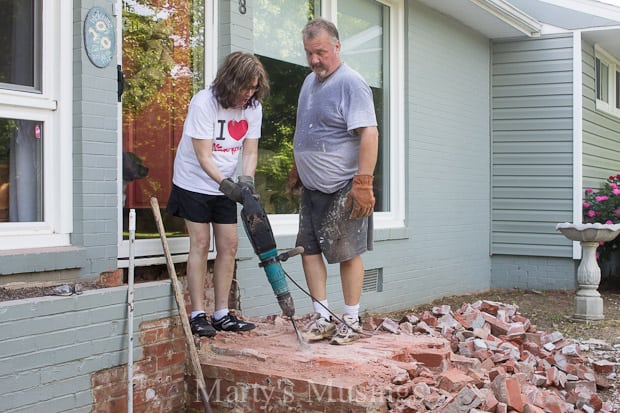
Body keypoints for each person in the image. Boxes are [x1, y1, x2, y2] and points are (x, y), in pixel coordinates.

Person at [289, 18, 379, 345]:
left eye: (321, 53)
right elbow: (309, 129)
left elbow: (369, 132)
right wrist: (298, 168)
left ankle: (351, 320)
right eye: (309, 53)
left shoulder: (351, 83)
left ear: (337, 47)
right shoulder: (308, 83)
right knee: (308, 250)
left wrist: (364, 183)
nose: (314, 60)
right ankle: (323, 317)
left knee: (347, 253)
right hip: (311, 189)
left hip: (343, 186)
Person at [166, 51, 269, 337]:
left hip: (226, 184)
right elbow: (203, 156)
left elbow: (250, 150)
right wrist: (227, 185)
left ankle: (222, 313)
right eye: (244, 87)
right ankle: (198, 314)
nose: (248, 94)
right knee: (200, 242)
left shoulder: (253, 107)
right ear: (229, 82)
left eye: (253, 88)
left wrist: (246, 182)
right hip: (194, 182)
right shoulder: (204, 103)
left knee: (229, 245)